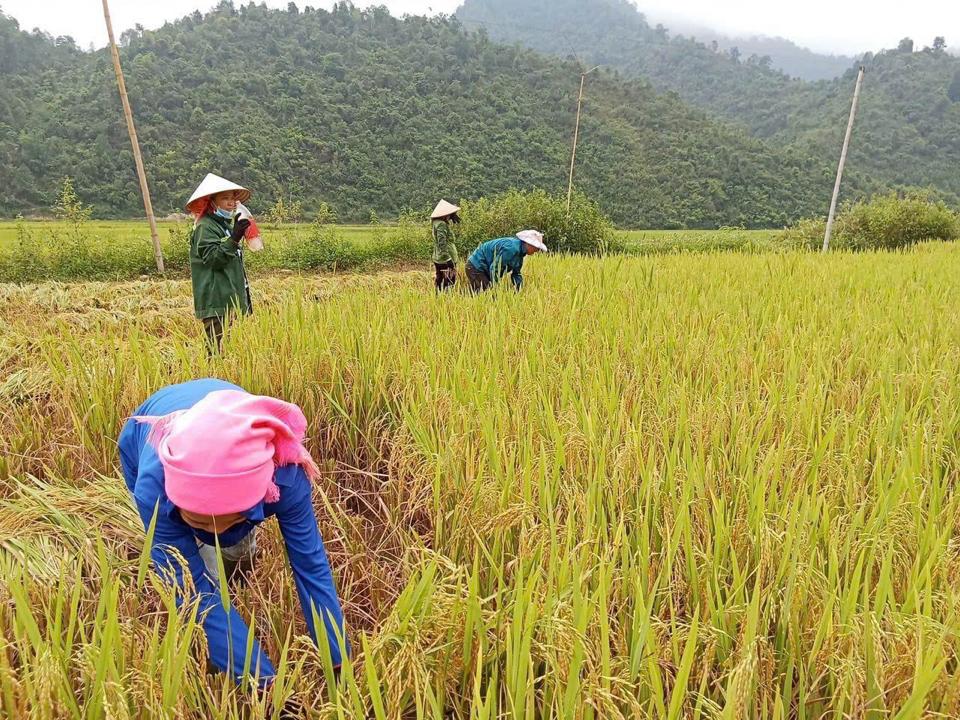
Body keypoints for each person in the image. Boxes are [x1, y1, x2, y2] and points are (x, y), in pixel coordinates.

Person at [118, 378, 349, 688]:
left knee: (235, 550)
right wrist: (265, 684)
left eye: (226, 519)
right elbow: (189, 590)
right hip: (144, 439)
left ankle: (232, 545)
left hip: (236, 445)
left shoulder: (286, 479)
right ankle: (226, 650)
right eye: (200, 522)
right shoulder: (154, 489)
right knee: (200, 574)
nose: (212, 531)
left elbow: (310, 565)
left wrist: (337, 659)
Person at [186, 173, 254, 352]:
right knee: (216, 352)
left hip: (230, 298)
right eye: (225, 198)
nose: (231, 203)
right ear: (212, 202)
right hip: (217, 299)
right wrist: (234, 238)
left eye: (232, 198)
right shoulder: (205, 226)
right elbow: (213, 259)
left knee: (231, 350)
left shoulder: (223, 225)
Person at [464, 230, 548, 292]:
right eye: (536, 248)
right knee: (487, 294)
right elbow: (494, 268)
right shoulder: (511, 249)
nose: (537, 250)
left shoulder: (520, 255)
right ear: (528, 244)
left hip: (485, 269)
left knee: (485, 293)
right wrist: (497, 288)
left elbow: (516, 274)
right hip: (476, 266)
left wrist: (520, 290)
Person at [431, 199, 461, 291]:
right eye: (450, 214)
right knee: (449, 281)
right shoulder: (441, 224)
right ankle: (447, 301)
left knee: (440, 280)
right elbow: (442, 242)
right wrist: (448, 259)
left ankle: (439, 300)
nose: (451, 216)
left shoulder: (436, 223)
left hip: (438, 257)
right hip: (445, 258)